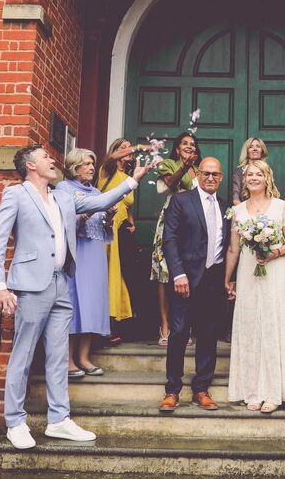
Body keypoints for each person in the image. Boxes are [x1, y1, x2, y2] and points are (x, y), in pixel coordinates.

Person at [0, 144, 153, 450]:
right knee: (22, 355)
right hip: (32, 285)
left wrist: (133, 180)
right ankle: (15, 422)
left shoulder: (63, 194)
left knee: (59, 355)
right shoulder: (17, 194)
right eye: (46, 157)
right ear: (31, 165)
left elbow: (100, 200)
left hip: (62, 283)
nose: (53, 160)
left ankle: (59, 420)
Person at [225, 160, 285, 412]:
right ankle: (252, 390)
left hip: (274, 271)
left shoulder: (281, 206)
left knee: (273, 325)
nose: (253, 178)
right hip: (248, 272)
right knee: (250, 327)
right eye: (249, 174)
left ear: (267, 177)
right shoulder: (238, 212)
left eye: (258, 174)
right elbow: (234, 248)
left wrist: (274, 253)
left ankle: (274, 391)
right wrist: (228, 279)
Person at [158, 157, 230, 412]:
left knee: (209, 335)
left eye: (216, 174)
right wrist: (178, 274)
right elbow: (170, 239)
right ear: (198, 174)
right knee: (178, 334)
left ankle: (201, 388)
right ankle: (172, 390)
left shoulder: (225, 206)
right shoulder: (181, 200)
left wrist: (228, 280)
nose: (211, 178)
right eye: (207, 173)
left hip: (214, 280)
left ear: (221, 178)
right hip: (185, 280)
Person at [56, 148, 112, 378]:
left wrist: (109, 216)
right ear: (73, 166)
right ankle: (69, 360)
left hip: (95, 252)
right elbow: (65, 224)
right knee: (75, 303)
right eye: (87, 164)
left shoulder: (97, 191)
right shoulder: (64, 189)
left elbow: (104, 230)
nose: (91, 168)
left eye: (92, 163)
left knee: (93, 304)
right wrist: (86, 214)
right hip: (76, 251)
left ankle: (84, 357)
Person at [150, 132, 201, 346]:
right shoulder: (168, 164)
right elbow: (167, 186)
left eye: (192, 144)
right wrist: (184, 167)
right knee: (164, 274)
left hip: (191, 227)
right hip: (170, 222)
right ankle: (165, 325)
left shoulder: (200, 171)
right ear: (177, 148)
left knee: (187, 273)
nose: (189, 146)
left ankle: (184, 326)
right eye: (184, 144)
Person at [98, 138, 145, 344]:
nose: (127, 151)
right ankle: (105, 328)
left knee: (127, 276)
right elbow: (110, 158)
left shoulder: (128, 176)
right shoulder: (106, 170)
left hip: (123, 231)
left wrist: (132, 222)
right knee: (109, 276)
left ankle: (122, 326)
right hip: (106, 231)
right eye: (122, 147)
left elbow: (127, 203)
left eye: (129, 147)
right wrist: (135, 147)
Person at [232, 137, 269, 205]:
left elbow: (270, 192)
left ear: (262, 150)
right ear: (246, 151)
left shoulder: (267, 170)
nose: (255, 149)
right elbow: (235, 198)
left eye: (258, 146)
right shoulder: (239, 171)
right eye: (251, 147)